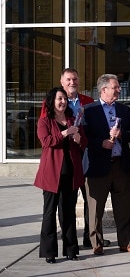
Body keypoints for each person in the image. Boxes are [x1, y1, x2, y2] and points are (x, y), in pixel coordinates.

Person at [39, 68, 101, 249]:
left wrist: (81, 139)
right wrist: (65, 134)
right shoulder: (49, 107)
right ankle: (56, 247)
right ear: (62, 81)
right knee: (59, 207)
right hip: (59, 162)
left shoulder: (88, 102)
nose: (72, 82)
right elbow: (46, 134)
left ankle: (90, 239)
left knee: (89, 200)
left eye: (75, 79)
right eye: (68, 79)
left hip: (84, 158)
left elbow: (90, 131)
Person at [83, 74, 130, 256]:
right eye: (115, 87)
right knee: (96, 208)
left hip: (119, 165)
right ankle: (96, 243)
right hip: (98, 166)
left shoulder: (123, 110)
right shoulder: (89, 110)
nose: (118, 90)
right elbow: (83, 138)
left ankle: (126, 242)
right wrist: (101, 143)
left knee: (123, 208)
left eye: (118, 87)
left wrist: (123, 135)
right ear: (103, 89)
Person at [34, 87, 87, 264]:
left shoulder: (73, 119)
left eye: (64, 99)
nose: (63, 101)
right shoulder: (44, 121)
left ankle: (71, 250)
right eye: (59, 99)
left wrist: (79, 139)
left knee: (68, 213)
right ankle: (49, 252)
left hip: (70, 173)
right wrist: (65, 133)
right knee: (49, 213)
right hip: (51, 175)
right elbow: (47, 141)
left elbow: (83, 142)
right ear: (51, 101)